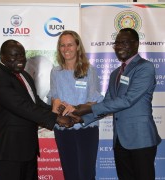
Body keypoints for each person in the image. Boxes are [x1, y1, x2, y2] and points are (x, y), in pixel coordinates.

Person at [63, 28, 162, 180]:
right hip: (120, 141)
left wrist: (88, 108)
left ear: (136, 44)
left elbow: (127, 100)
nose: (119, 46)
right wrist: (82, 118)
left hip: (141, 139)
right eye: (117, 43)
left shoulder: (145, 67)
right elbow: (108, 103)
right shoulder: (116, 73)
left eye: (124, 42)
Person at [0, 39, 73, 180]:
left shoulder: (24, 75)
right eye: (14, 56)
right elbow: (21, 106)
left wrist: (56, 110)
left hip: (28, 149)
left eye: (22, 55)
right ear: (2, 57)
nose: (20, 59)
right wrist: (55, 119)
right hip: (9, 151)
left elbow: (34, 101)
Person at [47, 30, 104, 180]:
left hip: (85, 129)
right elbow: (54, 99)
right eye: (62, 45)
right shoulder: (55, 72)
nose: (66, 49)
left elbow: (94, 101)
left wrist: (75, 108)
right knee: (70, 172)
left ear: (78, 46)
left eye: (70, 45)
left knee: (86, 173)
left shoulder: (89, 70)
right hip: (63, 128)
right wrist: (57, 104)